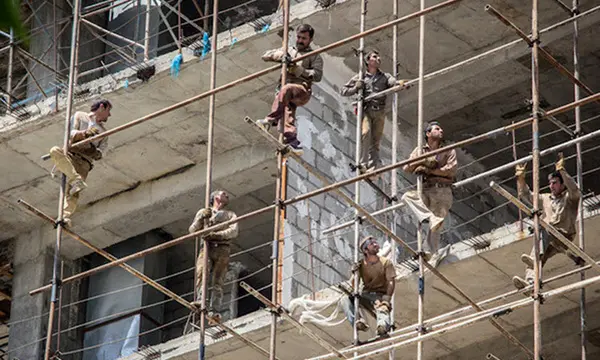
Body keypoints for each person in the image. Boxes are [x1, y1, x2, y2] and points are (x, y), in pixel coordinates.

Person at [512, 154, 582, 292]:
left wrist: (562, 170)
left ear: (562, 184)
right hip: (548, 238)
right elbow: (526, 195)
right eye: (550, 183)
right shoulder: (545, 199)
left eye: (555, 183)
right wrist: (521, 179)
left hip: (564, 236)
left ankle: (535, 262)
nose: (551, 186)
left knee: (541, 240)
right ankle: (532, 284)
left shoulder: (570, 198)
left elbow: (574, 189)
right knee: (537, 257)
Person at [257, 24, 324, 156]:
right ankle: (292, 141)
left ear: (310, 39)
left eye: (304, 38)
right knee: (287, 112)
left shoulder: (314, 56)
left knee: (286, 89)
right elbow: (265, 55)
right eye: (299, 37)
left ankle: (271, 120)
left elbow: (317, 76)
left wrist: (300, 70)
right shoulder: (289, 50)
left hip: (301, 90)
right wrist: (281, 56)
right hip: (286, 92)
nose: (300, 40)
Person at [340, 50, 406, 173]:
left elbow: (392, 83)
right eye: (375, 57)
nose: (378, 58)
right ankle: (363, 163)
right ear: (367, 61)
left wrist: (399, 83)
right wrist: (356, 88)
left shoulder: (384, 76)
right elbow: (343, 91)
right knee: (366, 133)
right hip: (366, 110)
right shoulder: (361, 77)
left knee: (375, 140)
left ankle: (372, 167)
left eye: (378, 56)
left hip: (379, 111)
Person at [49, 99, 112, 226]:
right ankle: (75, 178)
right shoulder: (80, 116)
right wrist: (85, 134)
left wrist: (92, 149)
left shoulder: (104, 133)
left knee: (73, 192)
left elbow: (101, 153)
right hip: (71, 154)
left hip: (84, 162)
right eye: (108, 111)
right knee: (55, 151)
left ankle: (64, 216)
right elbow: (71, 133)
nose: (109, 115)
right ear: (101, 107)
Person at [401, 121, 457, 263]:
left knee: (436, 225)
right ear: (428, 133)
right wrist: (420, 161)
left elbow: (451, 169)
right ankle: (428, 217)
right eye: (437, 129)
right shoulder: (421, 150)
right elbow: (406, 168)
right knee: (408, 197)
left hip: (442, 190)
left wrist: (431, 171)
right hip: (426, 189)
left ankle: (430, 252)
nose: (441, 130)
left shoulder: (448, 150)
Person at [189, 190, 239, 314]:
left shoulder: (230, 215)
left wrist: (217, 235)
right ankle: (201, 300)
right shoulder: (204, 212)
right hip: (206, 247)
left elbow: (233, 231)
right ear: (215, 197)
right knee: (201, 273)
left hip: (222, 248)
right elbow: (192, 230)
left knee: (218, 279)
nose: (226, 195)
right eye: (223, 193)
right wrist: (201, 218)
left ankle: (215, 309)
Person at [340, 236, 395, 337]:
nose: (375, 244)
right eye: (371, 244)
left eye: (375, 242)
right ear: (366, 250)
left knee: (382, 308)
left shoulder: (386, 263)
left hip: (379, 295)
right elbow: (354, 285)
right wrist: (354, 273)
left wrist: (387, 298)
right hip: (365, 294)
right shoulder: (361, 265)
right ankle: (358, 321)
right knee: (344, 300)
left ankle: (382, 327)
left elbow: (391, 282)